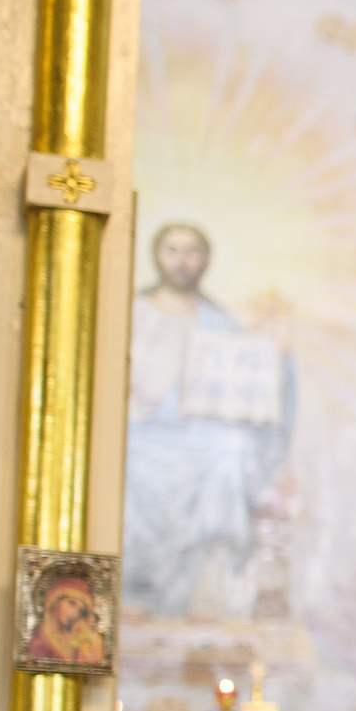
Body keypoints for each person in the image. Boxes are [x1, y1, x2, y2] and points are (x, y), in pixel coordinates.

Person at [122, 223, 294, 620]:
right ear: (156, 254)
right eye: (172, 249)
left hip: (197, 435)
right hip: (142, 430)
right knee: (127, 455)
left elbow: (254, 384)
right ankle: (133, 587)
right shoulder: (133, 312)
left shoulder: (218, 321)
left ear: (205, 260)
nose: (181, 261)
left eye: (191, 251)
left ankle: (210, 586)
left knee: (230, 452)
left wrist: (279, 354)